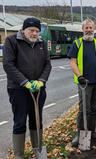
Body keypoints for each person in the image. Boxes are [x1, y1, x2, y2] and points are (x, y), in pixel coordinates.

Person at [3, 17, 52, 158]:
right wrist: (25, 82)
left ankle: (37, 150)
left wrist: (41, 81)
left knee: (36, 119)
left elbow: (47, 64)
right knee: (19, 121)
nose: (35, 34)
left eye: (37, 31)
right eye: (31, 30)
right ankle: (19, 155)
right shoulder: (12, 41)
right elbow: (8, 65)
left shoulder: (42, 43)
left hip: (38, 89)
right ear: (24, 30)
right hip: (18, 89)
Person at [68, 18, 96, 147]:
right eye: (86, 28)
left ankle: (91, 132)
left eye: (91, 28)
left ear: (94, 29)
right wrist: (79, 76)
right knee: (83, 109)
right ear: (82, 29)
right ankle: (79, 133)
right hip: (84, 83)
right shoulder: (77, 44)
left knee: (94, 109)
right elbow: (73, 63)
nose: (89, 30)